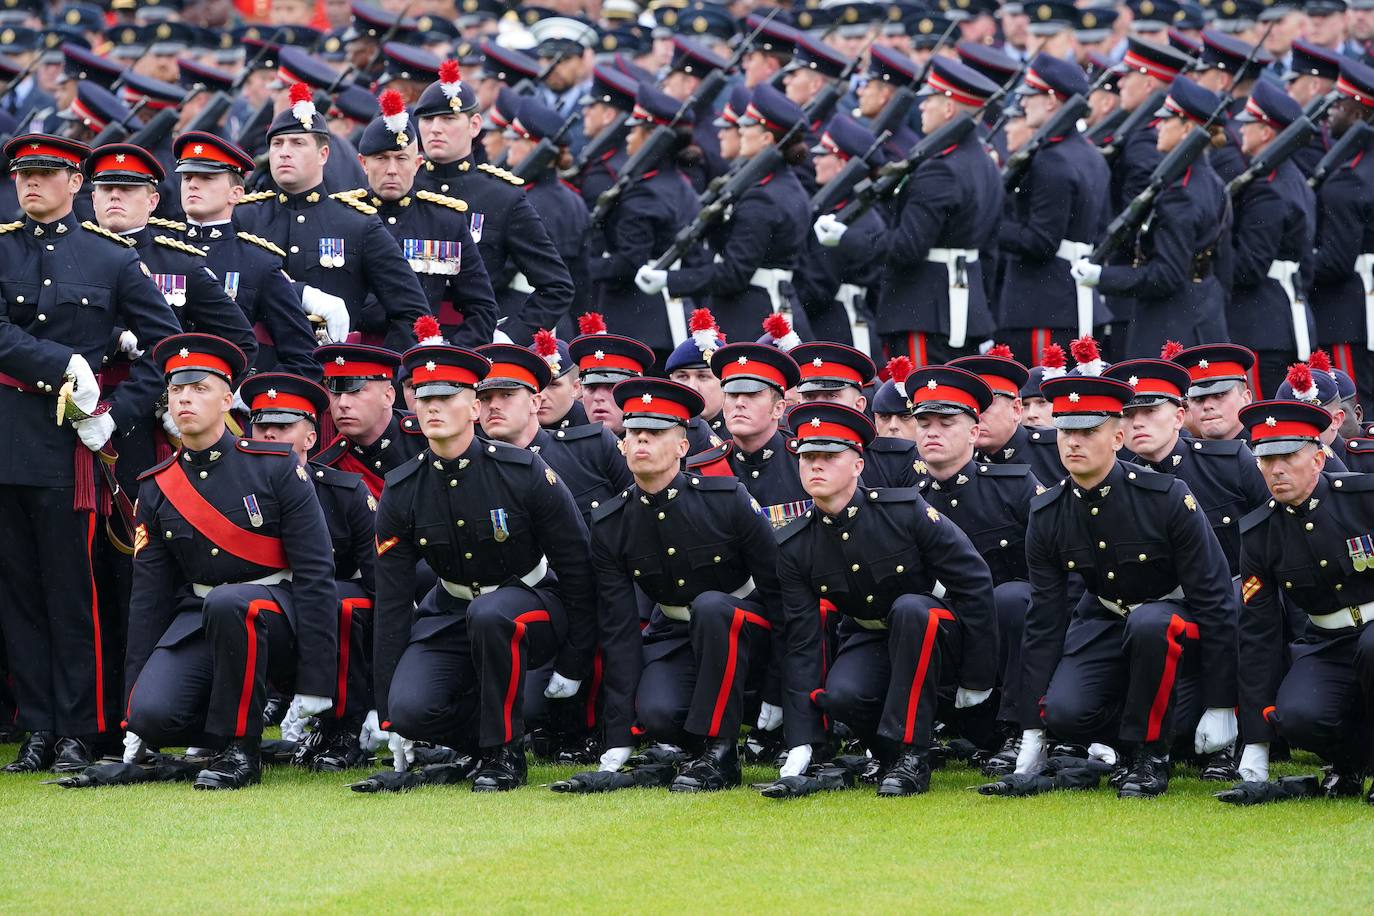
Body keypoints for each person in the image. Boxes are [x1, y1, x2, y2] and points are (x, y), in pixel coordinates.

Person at [0, 134, 180, 774]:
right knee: (17, 594)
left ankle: (82, 726)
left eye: (46, 174)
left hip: (72, 447)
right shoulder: (2, 247)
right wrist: (63, 362)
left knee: (73, 592)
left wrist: (116, 418)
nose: (31, 185)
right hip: (9, 437)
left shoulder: (110, 259)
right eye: (23, 174)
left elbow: (169, 351)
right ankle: (38, 725)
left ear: (75, 182)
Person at [369, 343, 596, 791]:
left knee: (492, 614)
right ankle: (479, 744)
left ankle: (504, 755)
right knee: (413, 708)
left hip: (532, 603)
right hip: (452, 608)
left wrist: (573, 662)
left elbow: (578, 568)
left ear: (473, 406)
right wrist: (388, 711)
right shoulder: (403, 488)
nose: (433, 408)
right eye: (424, 398)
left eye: (447, 398)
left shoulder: (524, 471)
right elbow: (392, 600)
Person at [121, 334, 338, 790]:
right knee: (153, 714)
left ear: (226, 399)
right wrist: (131, 707)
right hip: (203, 616)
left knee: (232, 604)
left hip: (280, 615)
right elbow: (148, 598)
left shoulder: (274, 465)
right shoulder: (157, 487)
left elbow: (316, 572)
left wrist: (317, 680)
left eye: (200, 388)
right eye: (177, 389)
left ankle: (241, 749)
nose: (185, 398)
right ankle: (217, 728)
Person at [1013, 375, 1238, 798]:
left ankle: (1149, 756)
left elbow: (1216, 598)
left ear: (1118, 437)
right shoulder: (1047, 512)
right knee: (1064, 713)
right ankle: (1120, 737)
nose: (1073, 442)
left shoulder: (1167, 496)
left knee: (1152, 624)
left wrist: (1222, 702)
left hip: (1176, 621)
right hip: (1107, 616)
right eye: (1065, 431)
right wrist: (1032, 728)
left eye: (1087, 432)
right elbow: (1043, 619)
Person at [772, 401, 997, 797]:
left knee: (911, 609)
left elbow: (974, 579)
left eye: (828, 456)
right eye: (807, 458)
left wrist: (978, 676)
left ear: (858, 465)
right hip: (873, 634)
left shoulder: (903, 510)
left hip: (939, 634)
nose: (815, 466)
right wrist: (802, 740)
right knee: (840, 695)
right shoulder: (794, 544)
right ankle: (888, 752)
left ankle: (914, 756)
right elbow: (802, 641)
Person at [568, 378, 782, 792]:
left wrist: (780, 687)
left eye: (657, 432)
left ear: (683, 446)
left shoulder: (726, 498)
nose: (642, 440)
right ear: (623, 444)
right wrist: (618, 739)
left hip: (746, 631)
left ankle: (720, 755)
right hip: (675, 632)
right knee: (659, 713)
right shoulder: (612, 522)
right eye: (634, 432)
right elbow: (618, 628)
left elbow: (780, 593)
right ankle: (685, 747)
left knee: (713, 607)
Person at [817, 58, 1004, 369]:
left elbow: (907, 247)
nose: (922, 107)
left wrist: (846, 238)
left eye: (929, 99)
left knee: (918, 407)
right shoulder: (984, 163)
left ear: (948, 109)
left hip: (925, 311)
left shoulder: (940, 170)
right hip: (962, 310)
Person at [1232, 399, 1374, 802]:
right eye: (1265, 459)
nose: (1275, 470)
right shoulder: (1260, 533)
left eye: (1288, 457)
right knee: (1297, 717)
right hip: (1328, 642)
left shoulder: (1364, 498)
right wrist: (1256, 743)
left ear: (1317, 457)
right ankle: (1350, 765)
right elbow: (1258, 633)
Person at [908, 365, 1044, 773]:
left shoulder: (1014, 486)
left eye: (946, 423)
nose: (933, 432)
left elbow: (1054, 567)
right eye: (924, 423)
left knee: (1010, 598)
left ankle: (1020, 730)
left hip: (1014, 638)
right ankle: (911, 733)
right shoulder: (906, 500)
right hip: (950, 636)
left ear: (972, 432)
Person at [240, 370, 377, 772]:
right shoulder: (230, 489)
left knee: (341, 602)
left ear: (311, 438)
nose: (269, 435)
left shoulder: (345, 491)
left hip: (336, 622)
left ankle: (345, 726)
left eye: (283, 426)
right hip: (272, 611)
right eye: (262, 425)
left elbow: (382, 584)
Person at [234, 83, 430, 354]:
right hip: (257, 371)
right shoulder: (244, 217)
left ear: (323, 154)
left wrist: (378, 373)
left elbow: (412, 311)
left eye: (298, 143)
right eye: (277, 143)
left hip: (332, 371)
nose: (284, 152)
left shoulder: (357, 223)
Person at [634, 84, 812, 346]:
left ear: (766, 139)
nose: (740, 130)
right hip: (767, 306)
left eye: (749, 125)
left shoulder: (762, 196)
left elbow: (733, 273)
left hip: (751, 313)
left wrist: (670, 280)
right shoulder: (782, 185)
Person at [412, 60, 574, 345]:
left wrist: (510, 336)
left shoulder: (501, 196)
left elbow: (556, 285)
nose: (435, 128)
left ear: (474, 125)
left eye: (448, 119)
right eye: (427, 119)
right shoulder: (403, 187)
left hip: (474, 343)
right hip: (405, 342)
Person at [1073, 77, 1231, 359]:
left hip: (1170, 326)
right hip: (1202, 315)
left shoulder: (1181, 193)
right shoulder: (1210, 181)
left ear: (1186, 129)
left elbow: (1166, 275)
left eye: (1166, 119)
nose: (1157, 126)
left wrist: (1103, 276)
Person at [172, 131, 321, 378]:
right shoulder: (158, 250)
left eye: (207, 178)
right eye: (187, 177)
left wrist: (252, 390)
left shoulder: (258, 263)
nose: (193, 185)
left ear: (236, 194)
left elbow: (302, 356)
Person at [357, 89, 498, 348]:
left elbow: (482, 308)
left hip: (419, 365)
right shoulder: (345, 215)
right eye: (381, 159)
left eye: (401, 159)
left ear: (418, 163)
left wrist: (450, 355)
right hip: (350, 363)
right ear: (363, 163)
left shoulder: (445, 221)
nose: (391, 170)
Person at [997, 54, 1111, 362]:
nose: (1023, 105)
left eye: (1030, 95)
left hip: (1043, 304)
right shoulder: (1090, 154)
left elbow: (1040, 241)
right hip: (1074, 298)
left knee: (1040, 403)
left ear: (1050, 101)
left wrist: (990, 227)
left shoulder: (1051, 159)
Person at [590, 83, 699, 366]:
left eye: (636, 129)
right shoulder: (678, 183)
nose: (629, 136)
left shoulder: (645, 192)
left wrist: (583, 267)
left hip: (638, 320)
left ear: (653, 137)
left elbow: (629, 261)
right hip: (665, 317)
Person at [1225, 81, 1317, 397]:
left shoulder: (1268, 188)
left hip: (1262, 326)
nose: (1242, 131)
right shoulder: (1292, 179)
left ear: (1266, 132)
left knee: (1264, 425)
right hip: (1282, 319)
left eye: (1249, 124)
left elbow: (1248, 268)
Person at [1310, 58, 1374, 413]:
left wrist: (1299, 270)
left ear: (1359, 114)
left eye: (1340, 104)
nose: (1330, 112)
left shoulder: (1349, 178)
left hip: (1350, 312)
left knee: (1351, 413)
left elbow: (1335, 261)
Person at [794, 114, 886, 355]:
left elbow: (818, 287)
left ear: (843, 164)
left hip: (839, 334)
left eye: (824, 154)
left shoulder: (850, 217)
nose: (815, 159)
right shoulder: (846, 210)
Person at [791, 340, 922, 488]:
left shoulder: (898, 460)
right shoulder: (786, 456)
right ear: (798, 403)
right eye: (810, 397)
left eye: (832, 396)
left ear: (859, 405)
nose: (820, 406)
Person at [708, 340, 809, 528]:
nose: (739, 403)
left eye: (752, 395)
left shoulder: (805, 462)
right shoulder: (704, 470)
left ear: (779, 409)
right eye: (732, 394)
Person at [312, 343, 425, 497]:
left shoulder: (427, 438)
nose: (343, 403)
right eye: (336, 393)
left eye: (356, 391)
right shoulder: (328, 466)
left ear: (388, 396)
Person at [950, 349, 1068, 486]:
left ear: (1016, 409)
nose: (976, 416)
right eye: (968, 407)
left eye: (985, 405)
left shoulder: (1058, 448)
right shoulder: (958, 460)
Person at [566, 312, 656, 437]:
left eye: (611, 387)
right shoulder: (567, 446)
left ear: (637, 392)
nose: (598, 397)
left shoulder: (659, 443)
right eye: (591, 387)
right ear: (579, 390)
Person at [1172, 343, 1257, 441]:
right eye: (1198, 398)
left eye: (1219, 395)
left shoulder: (1268, 454)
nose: (1207, 405)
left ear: (1246, 399)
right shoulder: (1180, 455)